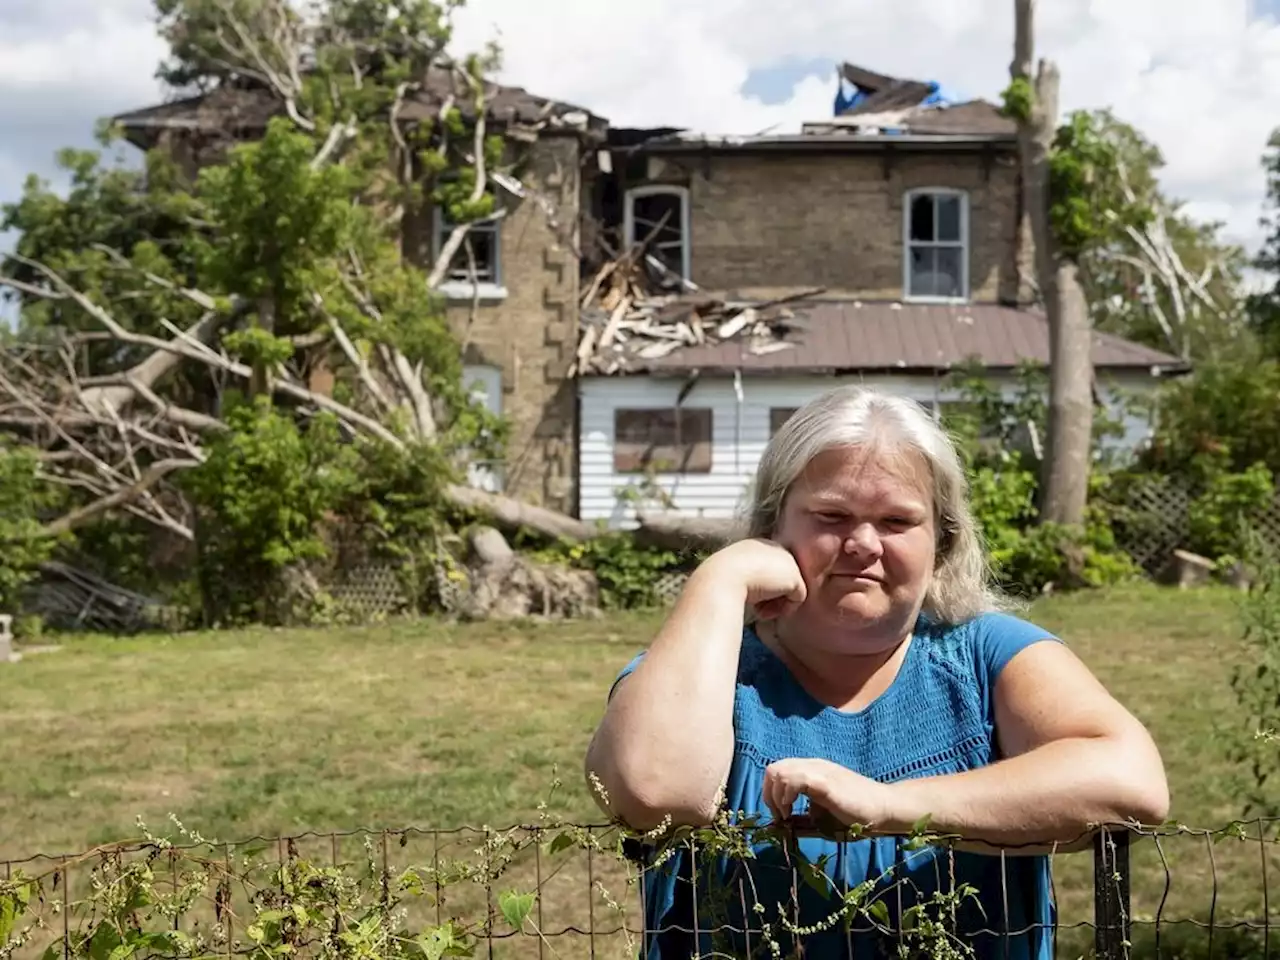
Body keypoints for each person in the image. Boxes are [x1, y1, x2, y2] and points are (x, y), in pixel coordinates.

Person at [583, 385, 1169, 960]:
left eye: (896, 520)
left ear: (941, 542)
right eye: (832, 515)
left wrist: (887, 806)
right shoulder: (708, 667)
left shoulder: (988, 655)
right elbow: (651, 792)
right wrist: (720, 579)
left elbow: (1131, 781)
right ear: (773, 525)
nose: (863, 543)